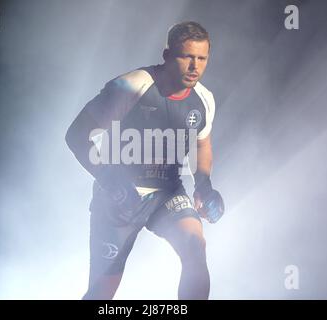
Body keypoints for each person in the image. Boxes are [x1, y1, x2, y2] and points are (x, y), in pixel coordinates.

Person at [66, 21, 224, 300]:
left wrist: (204, 184)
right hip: (118, 196)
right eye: (186, 56)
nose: (194, 67)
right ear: (166, 55)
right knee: (102, 291)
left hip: (168, 192)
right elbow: (77, 135)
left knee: (195, 245)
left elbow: (202, 143)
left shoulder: (204, 99)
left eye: (202, 58)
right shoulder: (130, 87)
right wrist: (109, 178)